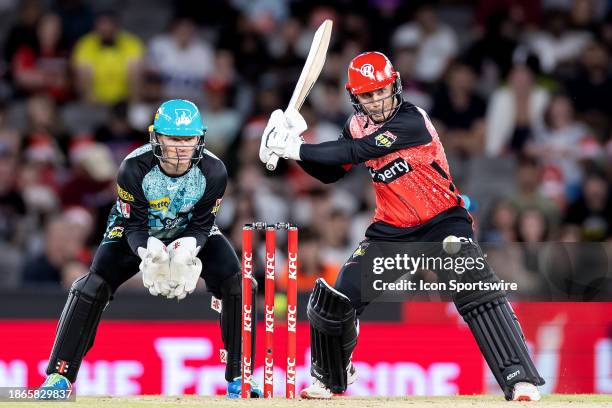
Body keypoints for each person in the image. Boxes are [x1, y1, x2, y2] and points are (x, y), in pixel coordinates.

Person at [259, 52, 544, 401]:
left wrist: (297, 148)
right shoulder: (355, 124)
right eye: (367, 95)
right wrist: (293, 150)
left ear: (395, 85)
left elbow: (356, 151)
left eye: (381, 91)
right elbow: (331, 173)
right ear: (356, 98)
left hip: (442, 221)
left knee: (476, 290)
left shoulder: (412, 121)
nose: (377, 100)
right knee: (335, 302)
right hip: (392, 232)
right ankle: (331, 378)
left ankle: (519, 381)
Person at [38, 99, 262, 398]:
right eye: (173, 139)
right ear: (156, 136)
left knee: (239, 283)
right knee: (91, 286)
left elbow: (201, 224)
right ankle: (59, 377)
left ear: (200, 138)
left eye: (188, 139)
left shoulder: (214, 171)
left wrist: (187, 248)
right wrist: (149, 253)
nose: (182, 149)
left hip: (188, 230)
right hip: (137, 233)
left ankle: (241, 378)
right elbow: (133, 226)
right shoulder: (133, 168)